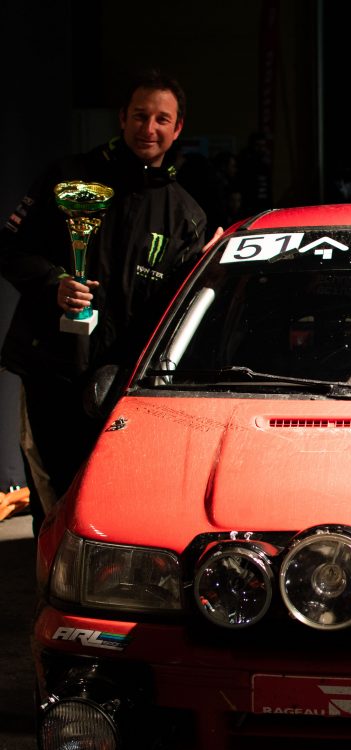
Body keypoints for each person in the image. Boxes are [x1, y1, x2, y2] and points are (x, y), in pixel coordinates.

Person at [0, 69, 208, 527]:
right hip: (50, 369)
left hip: (125, 387)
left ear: (177, 130)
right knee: (52, 496)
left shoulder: (186, 216)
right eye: (139, 115)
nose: (147, 129)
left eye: (160, 119)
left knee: (115, 501)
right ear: (122, 118)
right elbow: (10, 248)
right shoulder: (66, 176)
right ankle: (48, 594)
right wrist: (53, 283)